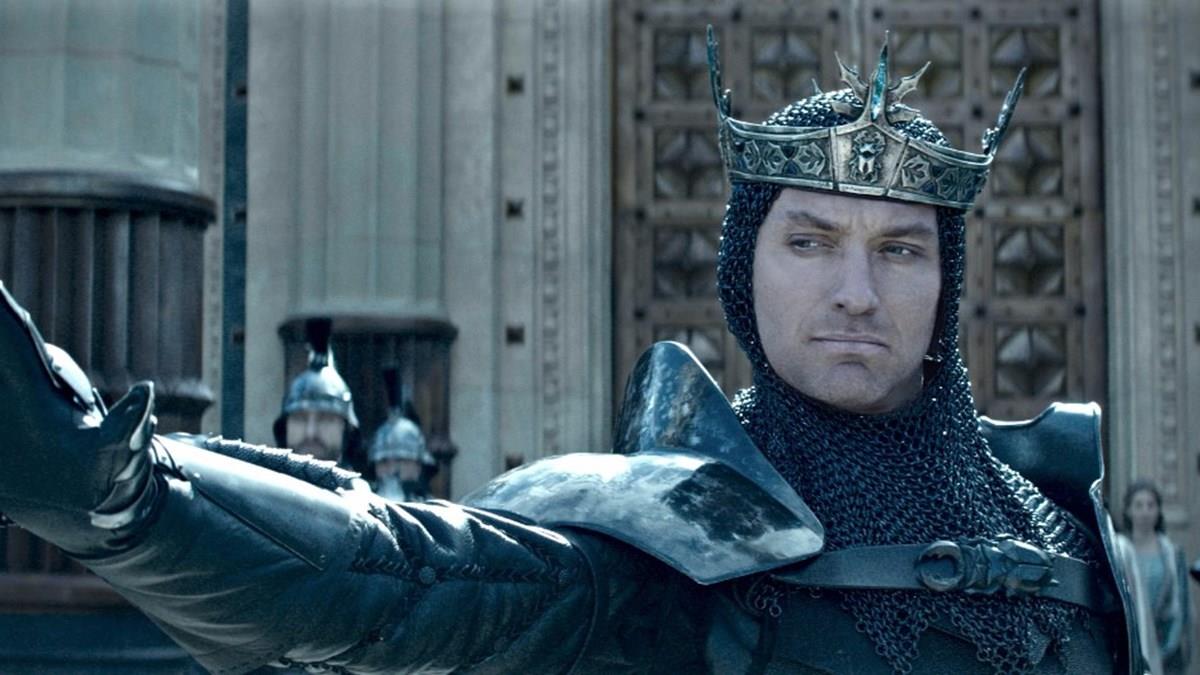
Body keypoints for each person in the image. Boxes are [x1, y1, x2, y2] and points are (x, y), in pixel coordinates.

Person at [0, 31, 1145, 674]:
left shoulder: (1075, 542)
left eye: (900, 250)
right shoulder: (669, 541)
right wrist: (132, 500)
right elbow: (392, 575)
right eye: (809, 241)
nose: (856, 291)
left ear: (948, 287)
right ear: (744, 273)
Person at [272, 318, 365, 473]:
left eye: (326, 418)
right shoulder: (260, 487)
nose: (311, 433)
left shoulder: (359, 490)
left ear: (347, 431)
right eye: (300, 418)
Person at [1117, 481, 1190, 673]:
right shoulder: (1120, 551)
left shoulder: (1172, 554)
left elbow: (1180, 605)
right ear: (1128, 510)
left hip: (1164, 643)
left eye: (1151, 505)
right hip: (1129, 640)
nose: (1145, 512)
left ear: (1158, 510)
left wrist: (1168, 646)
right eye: (1139, 505)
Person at [367, 368, 436, 502]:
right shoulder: (362, 504)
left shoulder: (432, 509)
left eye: (400, 461)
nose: (392, 470)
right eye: (384, 462)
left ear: (418, 466)